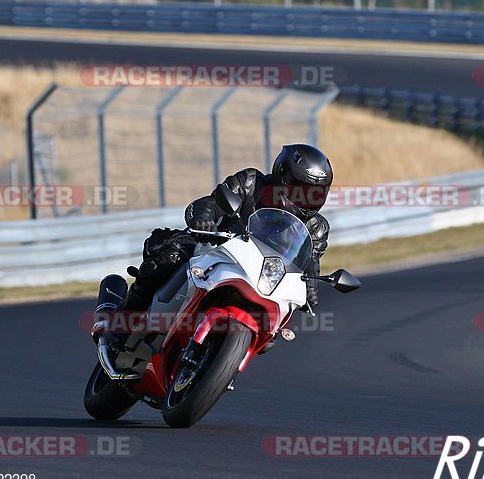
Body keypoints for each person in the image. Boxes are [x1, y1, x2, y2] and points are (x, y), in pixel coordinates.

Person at [92, 144, 333, 343]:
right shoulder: (252, 183)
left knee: (271, 333)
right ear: (283, 176)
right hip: (215, 249)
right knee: (167, 258)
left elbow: (309, 263)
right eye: (302, 189)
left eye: (317, 192)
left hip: (263, 278)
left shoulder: (317, 228)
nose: (309, 198)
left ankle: (216, 362)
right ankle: (122, 322)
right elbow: (213, 202)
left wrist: (311, 288)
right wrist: (204, 220)